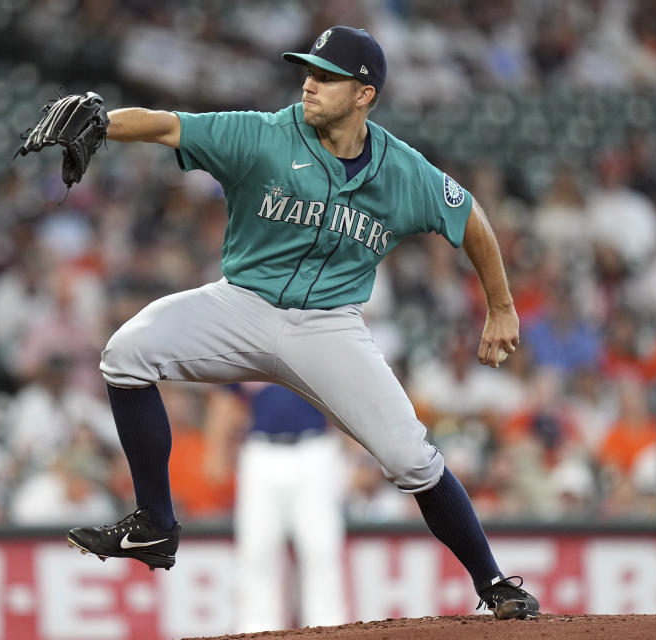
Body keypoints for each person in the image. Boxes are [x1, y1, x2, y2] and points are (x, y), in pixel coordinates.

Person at [66, 26, 539, 620]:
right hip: (241, 305)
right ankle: (155, 524)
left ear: (364, 94)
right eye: (307, 70)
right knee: (125, 353)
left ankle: (494, 583)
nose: (308, 82)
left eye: (325, 75)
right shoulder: (264, 135)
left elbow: (470, 218)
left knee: (412, 460)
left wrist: (500, 306)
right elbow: (168, 125)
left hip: (329, 327)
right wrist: (106, 122)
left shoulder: (402, 170)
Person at [204, 383, 347, 632]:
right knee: (257, 552)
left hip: (315, 449)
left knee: (320, 550)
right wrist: (216, 449)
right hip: (261, 451)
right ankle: (256, 630)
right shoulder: (248, 342)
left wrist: (354, 450)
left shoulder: (317, 343)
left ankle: (329, 630)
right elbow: (226, 392)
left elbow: (345, 391)